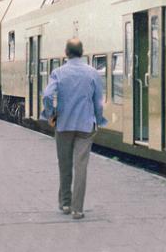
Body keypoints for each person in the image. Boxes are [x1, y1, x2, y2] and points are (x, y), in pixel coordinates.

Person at [41, 38, 107, 220]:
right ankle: (78, 209)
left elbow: (47, 95)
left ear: (66, 52)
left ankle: (65, 204)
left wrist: (50, 114)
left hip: (63, 125)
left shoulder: (58, 72)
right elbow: (98, 102)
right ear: (82, 52)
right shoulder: (92, 73)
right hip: (85, 126)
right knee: (81, 167)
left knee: (65, 166)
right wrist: (99, 119)